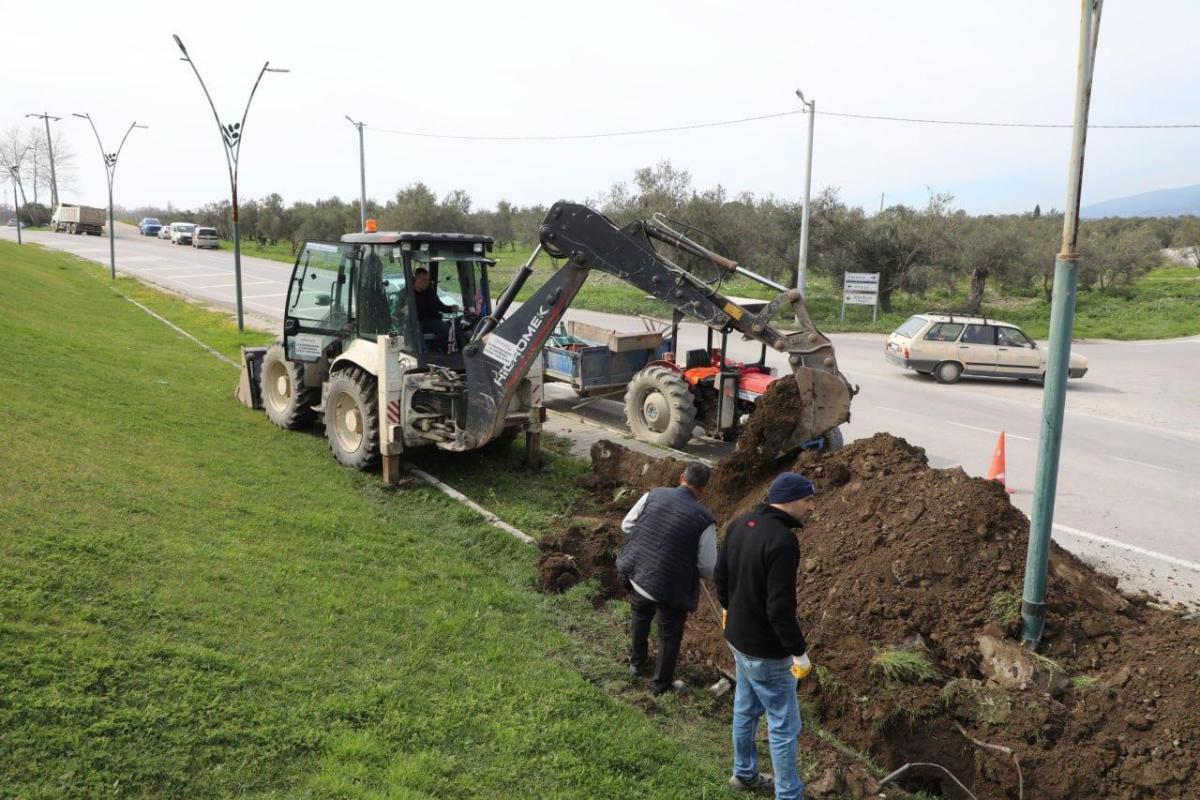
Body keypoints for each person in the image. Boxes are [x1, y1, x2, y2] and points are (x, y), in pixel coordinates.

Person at [714, 472, 817, 799]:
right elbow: (779, 608)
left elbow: (721, 574)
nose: (812, 507)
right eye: (808, 500)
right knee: (784, 725)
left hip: (738, 638)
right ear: (788, 501)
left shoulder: (741, 523)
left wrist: (728, 608)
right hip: (766, 652)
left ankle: (743, 773)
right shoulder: (783, 541)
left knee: (745, 709)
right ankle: (789, 794)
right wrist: (798, 652)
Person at [616, 463, 717, 696]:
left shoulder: (653, 494)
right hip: (670, 587)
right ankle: (661, 685)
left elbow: (627, 525)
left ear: (682, 477)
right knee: (670, 634)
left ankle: (637, 664)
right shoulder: (705, 520)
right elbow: (709, 567)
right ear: (703, 489)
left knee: (640, 616)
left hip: (639, 575)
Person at [411, 267, 458, 352]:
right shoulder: (408, 293)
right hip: (415, 322)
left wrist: (451, 308)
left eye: (427, 280)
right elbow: (396, 312)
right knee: (416, 329)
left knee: (445, 328)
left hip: (430, 321)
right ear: (416, 279)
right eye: (424, 280)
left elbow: (440, 306)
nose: (426, 282)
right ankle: (423, 353)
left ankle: (435, 350)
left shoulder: (430, 292)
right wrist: (403, 310)